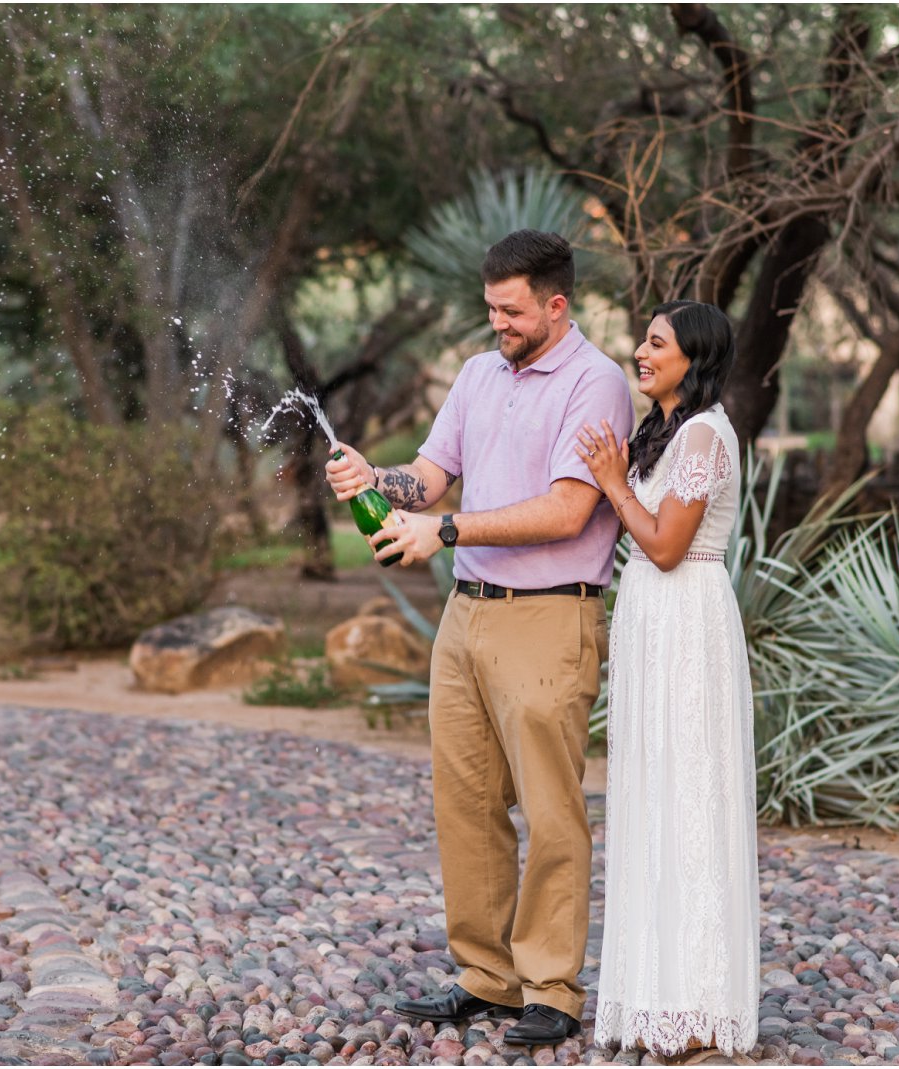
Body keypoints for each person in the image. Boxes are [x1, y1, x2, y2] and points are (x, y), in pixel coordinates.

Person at [325, 230, 634, 1046]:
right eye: (490, 307)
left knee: (550, 808)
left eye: (511, 309)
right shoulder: (476, 374)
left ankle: (553, 988)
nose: (496, 322)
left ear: (556, 304)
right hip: (465, 617)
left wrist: (446, 528)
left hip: (548, 616)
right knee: (465, 803)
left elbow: (569, 510)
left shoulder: (596, 384)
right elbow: (425, 477)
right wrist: (372, 477)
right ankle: (487, 976)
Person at [573, 300, 760, 1059]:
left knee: (691, 797)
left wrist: (615, 484)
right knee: (651, 794)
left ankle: (699, 1003)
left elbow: (667, 546)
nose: (642, 353)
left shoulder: (708, 435)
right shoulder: (667, 434)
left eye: (657, 343)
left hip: (688, 622)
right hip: (653, 625)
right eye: (643, 341)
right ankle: (655, 992)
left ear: (695, 357)